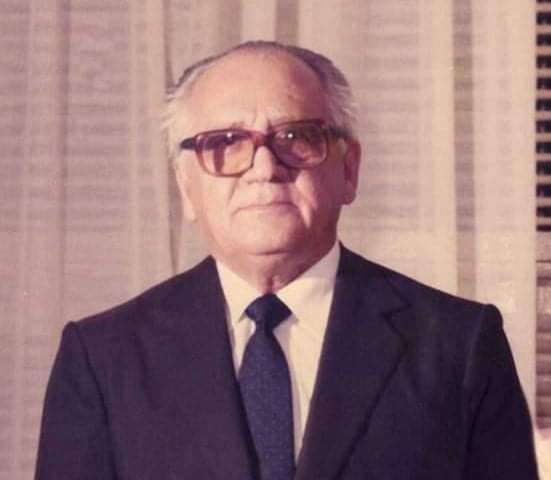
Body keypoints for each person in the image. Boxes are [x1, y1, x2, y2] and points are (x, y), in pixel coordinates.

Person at [35, 41, 539, 480]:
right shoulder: (103, 359)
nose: (263, 168)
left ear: (349, 170)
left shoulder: (459, 345)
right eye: (225, 142)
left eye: (295, 137)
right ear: (186, 187)